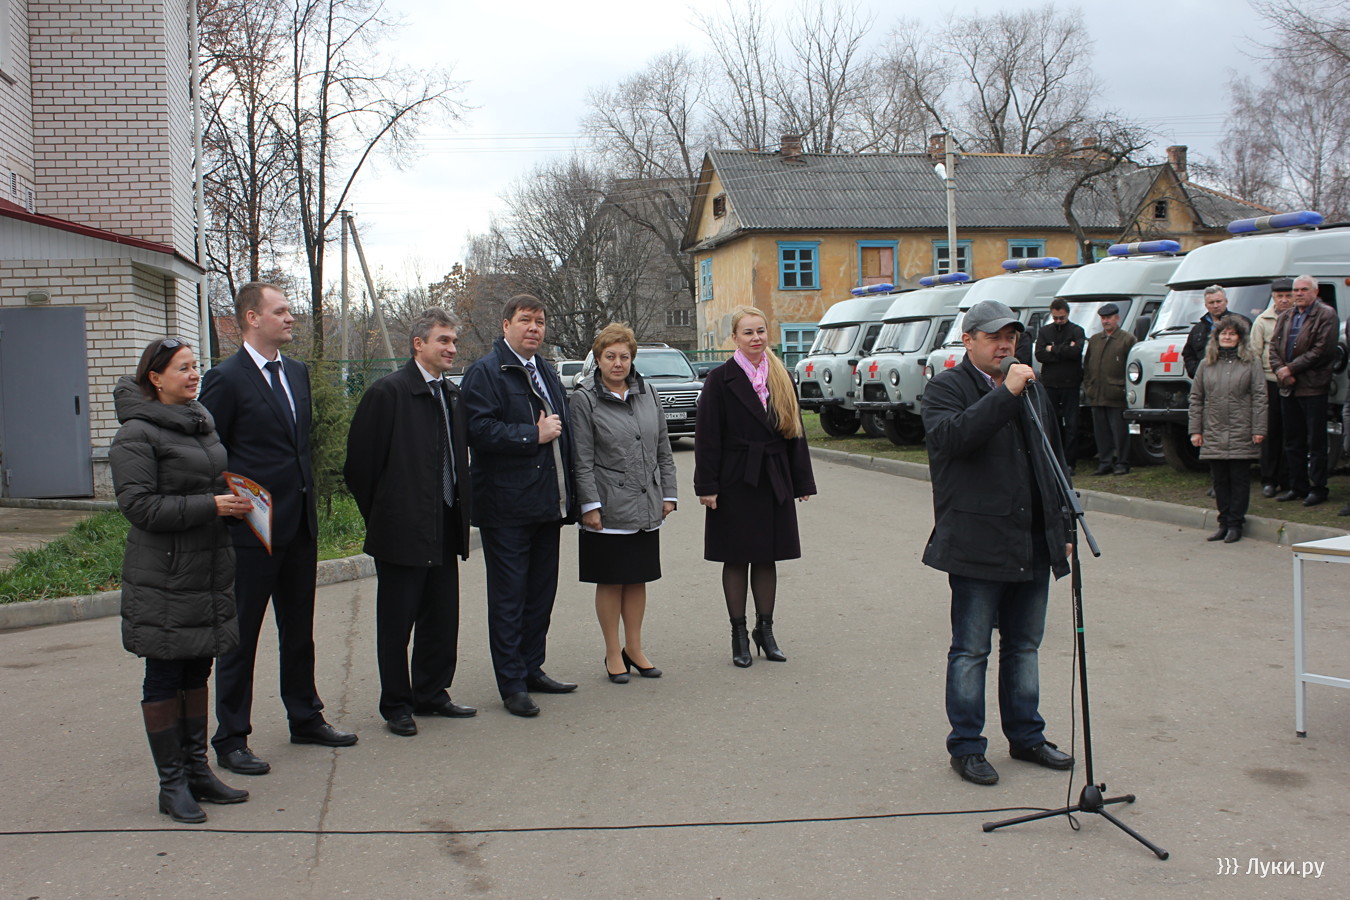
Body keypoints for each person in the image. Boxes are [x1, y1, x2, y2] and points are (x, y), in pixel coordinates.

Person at [200, 282, 357, 777]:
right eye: (281, 311)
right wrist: (227, 500)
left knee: (299, 629)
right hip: (251, 529)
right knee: (241, 635)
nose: (291, 318)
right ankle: (231, 738)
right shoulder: (225, 379)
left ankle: (305, 716)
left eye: (290, 310)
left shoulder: (296, 372)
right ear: (252, 318)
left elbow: (296, 447)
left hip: (298, 524)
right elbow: (209, 450)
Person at [921, 300, 1074, 786]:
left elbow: (1053, 460)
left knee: (1024, 646)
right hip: (977, 542)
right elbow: (954, 438)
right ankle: (967, 746)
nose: (1005, 345)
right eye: (994, 337)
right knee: (971, 650)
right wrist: (1005, 393)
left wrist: (1063, 528)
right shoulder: (947, 388)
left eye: (1011, 336)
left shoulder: (1031, 389)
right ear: (968, 341)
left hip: (1032, 539)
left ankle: (1027, 736)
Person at [110, 338, 254, 822]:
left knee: (197, 670)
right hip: (164, 574)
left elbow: (208, 483)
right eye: (183, 368)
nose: (194, 375)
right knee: (165, 674)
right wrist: (212, 506)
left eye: (196, 366)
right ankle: (171, 785)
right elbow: (139, 507)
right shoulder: (136, 433)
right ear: (155, 378)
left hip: (207, 567)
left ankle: (197, 771)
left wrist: (236, 504)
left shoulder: (200, 422)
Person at [344, 308, 475, 737]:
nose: (451, 348)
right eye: (443, 340)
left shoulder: (451, 395)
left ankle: (431, 692)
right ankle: (397, 704)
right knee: (397, 623)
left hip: (445, 522)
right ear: (418, 344)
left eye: (454, 341)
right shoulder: (388, 393)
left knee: (441, 616)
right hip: (401, 531)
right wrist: (387, 515)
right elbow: (360, 468)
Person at [461, 294, 578, 717]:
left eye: (540, 321)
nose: (534, 328)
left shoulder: (544, 369)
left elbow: (564, 432)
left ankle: (532, 668)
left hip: (546, 503)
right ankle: (511, 684)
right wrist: (532, 434)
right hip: (506, 506)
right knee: (509, 598)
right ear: (506, 324)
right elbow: (477, 430)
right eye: (525, 320)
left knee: (540, 594)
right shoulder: (486, 372)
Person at [694, 306, 816, 667]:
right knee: (736, 556)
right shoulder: (720, 379)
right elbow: (707, 437)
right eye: (748, 332)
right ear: (735, 338)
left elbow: (795, 432)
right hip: (735, 479)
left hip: (773, 478)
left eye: (760, 331)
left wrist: (801, 480)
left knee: (767, 555)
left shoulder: (781, 376)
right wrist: (707, 485)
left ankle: (766, 631)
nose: (756, 338)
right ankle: (738, 634)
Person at [569, 323, 678, 683]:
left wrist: (668, 493)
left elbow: (663, 447)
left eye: (624, 357)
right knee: (611, 580)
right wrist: (589, 505)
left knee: (637, 578)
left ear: (632, 359)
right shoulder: (584, 399)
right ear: (598, 359)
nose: (618, 363)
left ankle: (635, 648)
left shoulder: (648, 392)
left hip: (645, 502)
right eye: (610, 356)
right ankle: (613, 652)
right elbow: (581, 459)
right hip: (607, 507)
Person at [1188, 316, 1268, 543]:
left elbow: (1260, 397)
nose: (1227, 337)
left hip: (1242, 429)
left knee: (1239, 479)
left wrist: (1259, 428)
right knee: (1219, 480)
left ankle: (1235, 524)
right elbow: (1196, 398)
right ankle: (1223, 522)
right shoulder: (1206, 364)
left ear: (1240, 338)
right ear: (1216, 337)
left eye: (1232, 334)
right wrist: (1196, 430)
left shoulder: (1251, 363)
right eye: (1224, 333)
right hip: (1214, 430)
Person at [1269, 274, 1338, 507]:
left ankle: (1318, 488)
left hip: (1313, 387)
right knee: (1293, 440)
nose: (1298, 293)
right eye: (1296, 290)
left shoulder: (1326, 315)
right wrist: (1281, 370)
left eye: (1303, 289)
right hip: (1288, 387)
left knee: (1315, 442)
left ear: (1315, 292)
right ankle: (1297, 486)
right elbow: (1273, 347)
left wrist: (1291, 368)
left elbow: (1322, 350)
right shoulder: (1286, 316)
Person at [1249, 278, 1294, 498]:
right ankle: (1269, 479)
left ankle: (1289, 478)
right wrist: (1258, 384)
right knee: (1270, 432)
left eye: (1288, 296)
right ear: (1273, 297)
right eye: (1279, 296)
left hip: (1294, 380)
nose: (1284, 300)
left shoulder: (1299, 318)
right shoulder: (1262, 321)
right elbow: (1255, 354)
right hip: (1269, 381)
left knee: (1291, 432)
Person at [1081, 302, 1137, 475]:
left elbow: (1132, 367)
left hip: (1116, 395)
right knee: (1101, 432)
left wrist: (1125, 389)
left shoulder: (1127, 339)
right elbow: (1087, 366)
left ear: (1117, 318)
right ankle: (1105, 462)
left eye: (1109, 318)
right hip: (1097, 394)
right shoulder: (1095, 340)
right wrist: (1089, 386)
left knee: (1120, 432)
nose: (1106, 321)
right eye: (1103, 318)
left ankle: (1122, 462)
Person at [1034, 298, 1087, 464]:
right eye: (1055, 318)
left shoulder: (1077, 330)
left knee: (1072, 424)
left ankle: (1070, 461)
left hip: (1070, 383)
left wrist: (1053, 349)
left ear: (1067, 314)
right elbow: (1040, 355)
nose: (1058, 321)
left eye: (1061, 318)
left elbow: (1076, 352)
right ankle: (1054, 459)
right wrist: (1065, 349)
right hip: (1050, 383)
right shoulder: (1045, 331)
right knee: (1052, 423)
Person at [1183, 285, 1248, 378]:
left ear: (1226, 302)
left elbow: (1250, 349)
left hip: (1235, 378)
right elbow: (1188, 353)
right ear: (1206, 305)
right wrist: (1195, 371)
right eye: (1211, 302)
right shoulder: (1198, 329)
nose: (1215, 305)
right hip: (1205, 379)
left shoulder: (1241, 323)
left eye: (1219, 301)